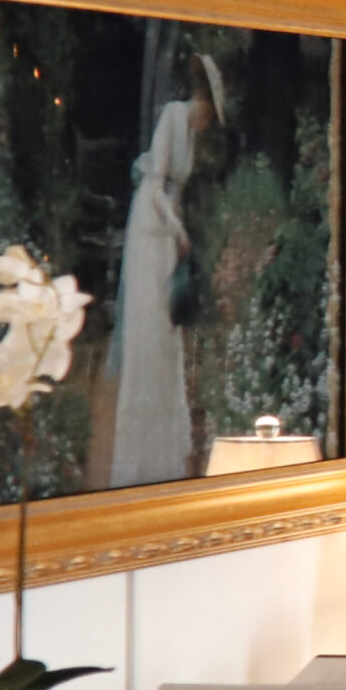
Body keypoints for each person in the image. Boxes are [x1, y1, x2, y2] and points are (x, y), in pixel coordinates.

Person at [106, 52, 221, 486]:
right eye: (211, 111)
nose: (210, 122)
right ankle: (139, 451)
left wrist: (180, 229)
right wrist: (176, 228)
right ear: (203, 102)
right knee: (149, 328)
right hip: (151, 230)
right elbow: (155, 184)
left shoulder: (189, 133)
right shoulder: (174, 117)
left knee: (167, 328)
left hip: (167, 231)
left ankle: (165, 449)